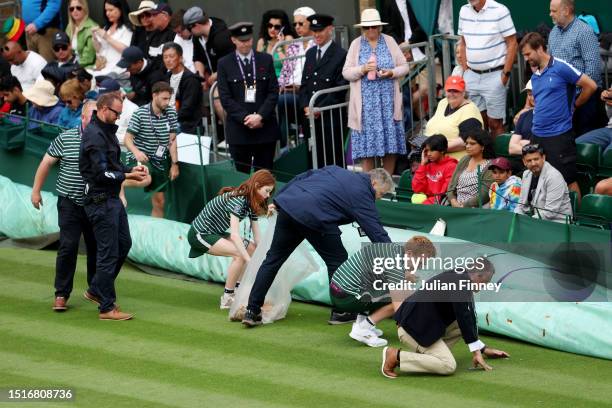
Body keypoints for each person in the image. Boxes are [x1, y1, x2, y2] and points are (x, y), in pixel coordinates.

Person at [242, 166, 395, 327]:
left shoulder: (335, 170)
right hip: (317, 216)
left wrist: (280, 199)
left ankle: (252, 310)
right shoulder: (364, 194)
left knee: (272, 259)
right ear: (374, 182)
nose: (378, 198)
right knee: (338, 261)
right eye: (381, 193)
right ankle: (341, 311)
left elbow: (301, 176)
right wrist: (396, 258)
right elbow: (376, 232)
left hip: (289, 207)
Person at [79, 93, 148, 320]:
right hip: (100, 201)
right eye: (116, 112)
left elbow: (113, 164)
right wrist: (128, 175)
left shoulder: (106, 132)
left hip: (111, 200)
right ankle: (107, 307)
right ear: (102, 109)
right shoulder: (94, 136)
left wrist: (130, 169)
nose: (119, 117)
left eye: (120, 112)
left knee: (124, 244)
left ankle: (96, 289)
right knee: (108, 254)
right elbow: (101, 173)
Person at [382, 258, 510, 377]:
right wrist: (476, 352)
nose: (485, 286)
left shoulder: (460, 277)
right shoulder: (461, 282)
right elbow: (463, 316)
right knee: (448, 365)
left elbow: (469, 317)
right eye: (486, 282)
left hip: (418, 324)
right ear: (478, 275)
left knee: (464, 324)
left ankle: (428, 357)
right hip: (411, 329)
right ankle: (395, 356)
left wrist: (483, 349)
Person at [31, 101, 98, 312]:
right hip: (69, 202)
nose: (95, 121)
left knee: (96, 247)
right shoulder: (66, 137)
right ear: (83, 118)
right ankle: (61, 294)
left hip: (96, 202)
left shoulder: (105, 139)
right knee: (68, 247)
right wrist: (35, 191)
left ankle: (96, 290)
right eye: (92, 117)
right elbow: (46, 162)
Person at [520, 32, 597, 197]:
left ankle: (575, 221)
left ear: (539, 48)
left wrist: (575, 104)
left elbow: (590, 85)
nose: (526, 59)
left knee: (567, 180)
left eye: (528, 54)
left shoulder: (561, 67)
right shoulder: (534, 76)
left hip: (559, 135)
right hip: (537, 134)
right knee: (538, 180)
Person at [188, 170, 276, 309]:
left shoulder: (252, 202)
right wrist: (250, 261)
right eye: (267, 191)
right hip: (200, 234)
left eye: (270, 192)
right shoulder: (239, 201)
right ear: (257, 185)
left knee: (251, 248)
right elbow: (234, 235)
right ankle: (227, 298)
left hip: (216, 232)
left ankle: (238, 292)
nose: (268, 195)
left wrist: (265, 259)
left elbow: (257, 237)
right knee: (240, 254)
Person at [331, 236, 436, 347]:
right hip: (346, 296)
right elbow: (400, 307)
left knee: (399, 289)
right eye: (419, 262)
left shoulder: (396, 250)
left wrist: (405, 278)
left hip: (338, 289)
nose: (420, 266)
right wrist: (416, 330)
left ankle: (361, 324)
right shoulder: (395, 264)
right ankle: (363, 328)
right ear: (409, 254)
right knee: (404, 299)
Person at [343, 9, 409, 175]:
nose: (371, 30)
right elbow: (346, 72)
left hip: (388, 102)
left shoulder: (390, 41)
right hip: (365, 105)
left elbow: (404, 66)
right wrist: (363, 69)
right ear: (362, 29)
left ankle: (386, 184)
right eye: (367, 27)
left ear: (380, 27)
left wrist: (391, 72)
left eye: (374, 26)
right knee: (367, 148)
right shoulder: (355, 44)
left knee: (390, 145)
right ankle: (369, 185)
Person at [217, 22, 280, 174]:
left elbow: (273, 92)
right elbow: (225, 97)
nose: (245, 44)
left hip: (264, 129)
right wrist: (246, 118)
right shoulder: (224, 63)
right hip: (239, 131)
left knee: (265, 176)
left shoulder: (265, 59)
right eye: (241, 40)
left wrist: (260, 116)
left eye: (248, 40)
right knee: (241, 178)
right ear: (233, 40)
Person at [459, 0, 518, 137]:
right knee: (477, 122)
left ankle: (498, 158)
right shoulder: (463, 10)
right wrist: (465, 70)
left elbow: (512, 43)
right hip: (471, 75)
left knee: (495, 123)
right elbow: (462, 43)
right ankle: (483, 157)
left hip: (495, 75)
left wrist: (505, 75)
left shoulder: (500, 10)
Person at [298, 14, 348, 168]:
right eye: (314, 30)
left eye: (320, 30)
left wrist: (321, 108)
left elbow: (340, 88)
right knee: (313, 157)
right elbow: (305, 84)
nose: (316, 34)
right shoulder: (311, 53)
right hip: (310, 116)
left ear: (330, 30)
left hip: (330, 117)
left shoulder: (340, 54)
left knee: (332, 157)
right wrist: (306, 106)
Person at [548, 0, 605, 136]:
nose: (550, 14)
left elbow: (593, 71)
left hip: (585, 98)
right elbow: (550, 64)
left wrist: (577, 102)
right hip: (561, 99)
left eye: (554, 11)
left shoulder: (584, 31)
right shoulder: (553, 33)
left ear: (566, 11)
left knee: (584, 141)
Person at [124, 81, 179, 218]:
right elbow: (127, 139)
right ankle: (117, 182)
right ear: (154, 96)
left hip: (159, 160)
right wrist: (137, 152)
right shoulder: (140, 113)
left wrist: (174, 164)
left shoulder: (171, 113)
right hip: (140, 156)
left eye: (169, 99)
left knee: (160, 202)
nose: (167, 102)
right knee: (146, 179)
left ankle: (156, 231)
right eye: (164, 99)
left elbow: (172, 140)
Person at [276, 7, 316, 147]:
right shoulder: (293, 45)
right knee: (274, 99)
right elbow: (286, 71)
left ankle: (282, 144)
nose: (297, 27)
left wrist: (299, 87)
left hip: (305, 92)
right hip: (289, 90)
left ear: (310, 23)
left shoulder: (317, 43)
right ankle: (283, 145)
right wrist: (280, 86)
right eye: (295, 24)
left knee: (280, 101)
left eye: (301, 23)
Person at [424, 76, 483, 160]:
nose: (451, 94)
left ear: (463, 93)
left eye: (455, 91)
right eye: (449, 90)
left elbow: (465, 142)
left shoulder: (470, 110)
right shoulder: (443, 102)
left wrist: (434, 149)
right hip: (432, 156)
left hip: (455, 161)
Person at [515, 144, 572, 222]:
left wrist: (528, 222)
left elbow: (550, 212)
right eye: (529, 160)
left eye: (536, 159)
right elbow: (521, 204)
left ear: (543, 158)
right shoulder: (526, 174)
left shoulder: (554, 176)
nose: (533, 163)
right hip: (536, 220)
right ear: (524, 162)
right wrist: (517, 217)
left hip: (557, 223)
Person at [183, 6, 234, 90]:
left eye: (189, 28)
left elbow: (233, 62)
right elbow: (197, 57)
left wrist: (216, 74)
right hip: (215, 81)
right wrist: (200, 77)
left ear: (197, 25)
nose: (189, 32)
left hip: (231, 79)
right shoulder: (197, 37)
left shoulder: (222, 38)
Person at [161, 42, 203, 134]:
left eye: (171, 56)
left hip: (186, 124)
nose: (168, 60)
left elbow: (187, 109)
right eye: (165, 57)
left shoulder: (191, 80)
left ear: (180, 58)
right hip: (169, 120)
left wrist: (167, 119)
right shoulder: (167, 77)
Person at [447, 129, 495, 208]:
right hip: (454, 205)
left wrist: (464, 205)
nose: (468, 146)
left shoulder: (490, 165)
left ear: (483, 146)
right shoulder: (465, 159)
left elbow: (484, 195)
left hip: (475, 209)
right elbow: (451, 185)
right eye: (466, 143)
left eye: (472, 143)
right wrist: (452, 200)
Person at [411, 134, 458, 205]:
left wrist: (425, 204)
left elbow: (443, 194)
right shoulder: (427, 165)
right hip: (425, 203)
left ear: (442, 150)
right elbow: (417, 189)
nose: (428, 154)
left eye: (432, 150)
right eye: (427, 151)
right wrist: (422, 164)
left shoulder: (451, 166)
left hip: (439, 205)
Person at [91, 0, 133, 78]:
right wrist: (94, 37)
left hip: (117, 70)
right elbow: (99, 50)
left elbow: (125, 50)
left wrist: (106, 37)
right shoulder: (106, 27)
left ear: (121, 9)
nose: (107, 13)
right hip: (102, 67)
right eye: (106, 10)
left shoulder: (127, 28)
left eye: (111, 10)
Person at [96, 77, 138, 144]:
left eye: (106, 97)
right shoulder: (101, 106)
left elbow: (135, 137)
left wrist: (108, 136)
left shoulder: (133, 110)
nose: (102, 99)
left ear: (117, 94)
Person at [256, 10, 296, 79]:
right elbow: (257, 66)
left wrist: (279, 46)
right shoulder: (262, 42)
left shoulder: (287, 39)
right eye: (270, 25)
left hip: (283, 82)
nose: (272, 29)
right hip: (266, 81)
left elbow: (289, 66)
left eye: (277, 27)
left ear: (282, 28)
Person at [576, 87, 612, 154]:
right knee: (575, 148)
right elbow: (609, 116)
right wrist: (608, 103)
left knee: (608, 156)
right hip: (609, 129)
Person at [66, 0, 98, 69]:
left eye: (78, 8)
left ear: (85, 9)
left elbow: (88, 58)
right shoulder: (69, 27)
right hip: (71, 65)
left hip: (86, 67)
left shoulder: (92, 28)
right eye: (72, 9)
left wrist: (70, 67)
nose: (75, 11)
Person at [509, 80, 535, 155]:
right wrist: (532, 147)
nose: (532, 98)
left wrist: (523, 144)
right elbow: (511, 149)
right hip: (522, 162)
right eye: (530, 95)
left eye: (535, 94)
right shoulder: (524, 115)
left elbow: (547, 146)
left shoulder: (552, 115)